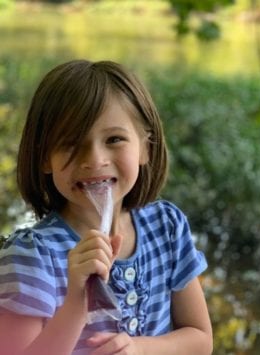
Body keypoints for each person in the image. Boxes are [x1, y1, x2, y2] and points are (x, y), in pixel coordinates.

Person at [0, 60, 212, 354]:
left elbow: (200, 339)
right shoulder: (29, 257)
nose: (95, 159)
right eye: (71, 143)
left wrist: (139, 349)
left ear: (145, 147)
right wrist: (77, 300)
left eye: (114, 139)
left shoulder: (167, 227)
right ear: (44, 158)